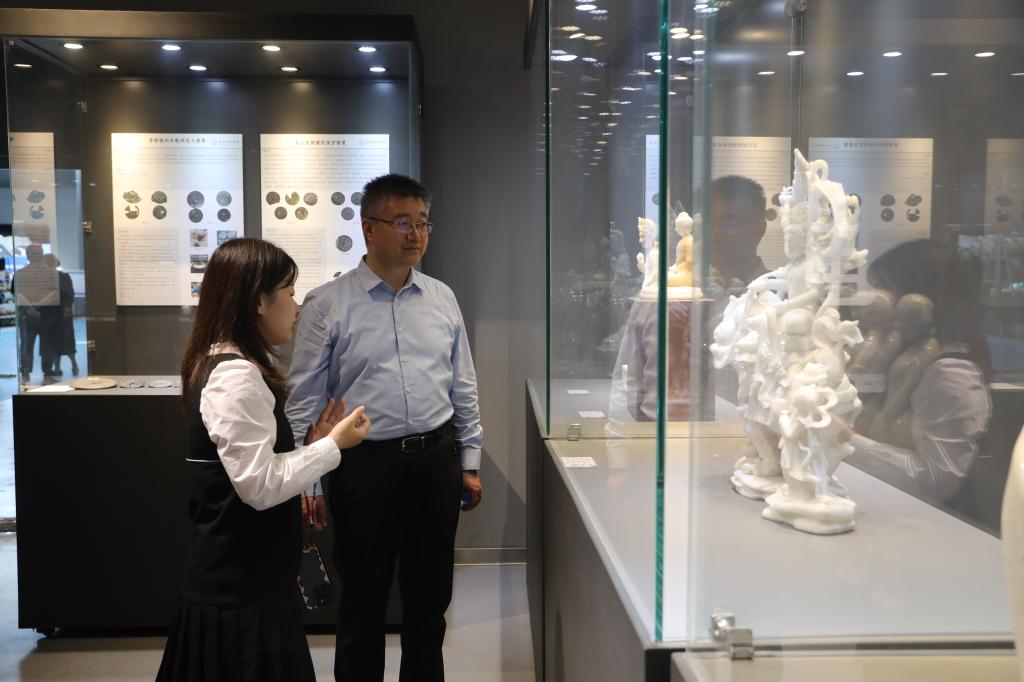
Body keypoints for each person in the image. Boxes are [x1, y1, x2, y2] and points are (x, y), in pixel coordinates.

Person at [286, 173, 483, 682]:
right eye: (402, 222)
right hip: (363, 467)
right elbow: (304, 401)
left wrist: (469, 461)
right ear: (369, 228)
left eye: (423, 223)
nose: (415, 234)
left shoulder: (442, 297)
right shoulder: (328, 304)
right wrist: (309, 481)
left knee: (430, 601)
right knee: (363, 602)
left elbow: (462, 385)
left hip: (435, 462)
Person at [157, 238, 372, 682]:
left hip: (248, 584)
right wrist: (332, 446)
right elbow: (260, 486)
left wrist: (310, 445)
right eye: (289, 293)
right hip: (240, 593)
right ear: (259, 300)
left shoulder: (227, 365)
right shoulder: (236, 375)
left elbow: (251, 468)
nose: (297, 307)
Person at [845, 239, 992, 506]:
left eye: (885, 294)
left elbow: (935, 479)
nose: (876, 307)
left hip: (934, 520)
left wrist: (846, 440)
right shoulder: (896, 353)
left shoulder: (950, 372)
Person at [708, 175, 770, 291]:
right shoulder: (690, 292)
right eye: (708, 224)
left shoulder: (784, 292)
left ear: (759, 229)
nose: (714, 236)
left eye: (728, 224)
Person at [12, 244, 59, 384]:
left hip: (28, 315)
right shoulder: (51, 274)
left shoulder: (20, 274)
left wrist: (31, 305)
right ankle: (46, 372)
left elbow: (16, 294)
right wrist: (39, 304)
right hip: (44, 315)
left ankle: (26, 372)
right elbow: (55, 293)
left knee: (27, 345)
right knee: (45, 345)